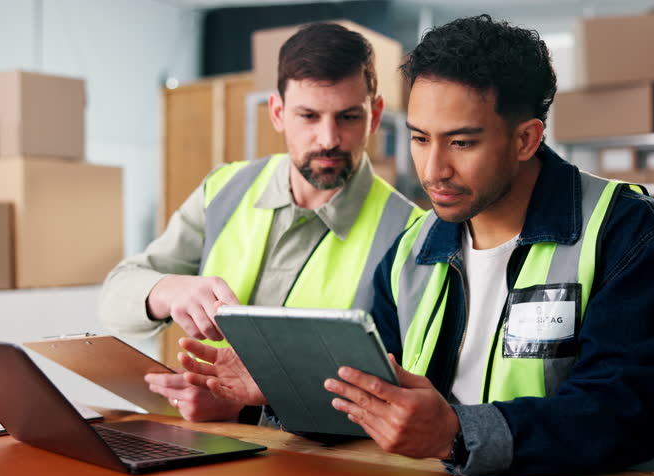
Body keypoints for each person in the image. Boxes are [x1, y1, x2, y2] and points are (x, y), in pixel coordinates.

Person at [178, 15, 654, 476]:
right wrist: (277, 389)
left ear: (526, 139)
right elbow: (376, 399)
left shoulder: (630, 235)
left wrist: (456, 433)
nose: (433, 170)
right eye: (420, 138)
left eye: (461, 142)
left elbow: (625, 415)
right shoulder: (413, 249)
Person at [98, 22, 423, 423]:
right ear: (278, 113)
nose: (328, 138)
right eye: (308, 116)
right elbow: (114, 299)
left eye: (348, 117)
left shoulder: (409, 233)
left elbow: (401, 400)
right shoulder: (224, 189)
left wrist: (244, 410)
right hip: (204, 444)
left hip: (318, 455)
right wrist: (168, 290)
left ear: (374, 116)